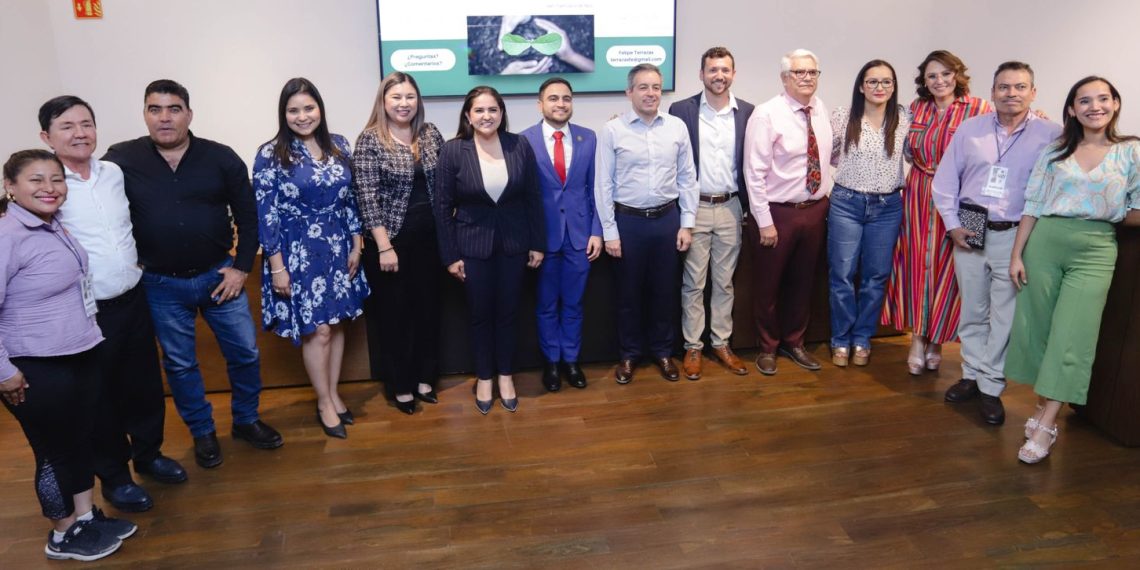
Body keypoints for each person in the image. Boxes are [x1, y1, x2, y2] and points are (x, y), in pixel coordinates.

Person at [104, 79, 283, 469]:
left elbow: (249, 216)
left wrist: (241, 268)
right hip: (160, 285)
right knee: (180, 365)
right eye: (155, 109)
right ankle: (203, 432)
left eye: (173, 109)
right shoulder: (121, 159)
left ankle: (246, 420)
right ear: (145, 114)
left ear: (189, 114)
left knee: (245, 353)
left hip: (219, 278)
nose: (164, 118)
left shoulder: (220, 157)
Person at [38, 96, 186, 514]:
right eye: (67, 126)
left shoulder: (113, 173)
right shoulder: (49, 186)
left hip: (132, 297)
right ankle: (115, 477)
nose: (80, 133)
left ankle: (149, 455)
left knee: (144, 386)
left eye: (86, 123)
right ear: (47, 137)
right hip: (85, 310)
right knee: (100, 397)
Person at [1, 150, 137, 562]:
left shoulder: (53, 224)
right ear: (10, 187)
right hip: (34, 364)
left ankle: (85, 518)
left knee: (79, 441)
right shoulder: (7, 234)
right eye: (36, 180)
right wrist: (3, 371)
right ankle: (62, 535)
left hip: (78, 352)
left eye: (56, 179)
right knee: (53, 452)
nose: (49, 188)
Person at [1006, 76, 1140, 463]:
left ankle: (1048, 422)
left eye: (1103, 98)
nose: (1094, 106)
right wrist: (1017, 254)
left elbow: (1136, 207)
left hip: (1096, 248)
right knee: (1039, 330)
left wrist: (1105, 210)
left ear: (1115, 103)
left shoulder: (1131, 151)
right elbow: (1033, 203)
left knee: (1074, 335)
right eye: (1084, 100)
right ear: (1071, 109)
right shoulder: (1054, 151)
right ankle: (1042, 404)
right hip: (1045, 242)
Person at [932, 62, 1061, 426]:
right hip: (971, 227)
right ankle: (971, 374)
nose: (1011, 94)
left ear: (1033, 92)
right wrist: (953, 225)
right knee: (973, 309)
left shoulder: (1052, 134)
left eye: (1020, 87)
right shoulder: (970, 129)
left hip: (1015, 234)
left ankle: (991, 385)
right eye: (1004, 87)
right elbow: (945, 181)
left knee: (1004, 315)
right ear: (992, 93)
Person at [252, 78, 369, 437]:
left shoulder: (339, 144)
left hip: (338, 246)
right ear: (283, 114)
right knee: (317, 330)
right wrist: (277, 268)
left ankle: (333, 394)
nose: (302, 116)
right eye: (294, 110)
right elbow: (266, 214)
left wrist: (357, 244)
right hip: (297, 253)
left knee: (336, 324)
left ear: (320, 108)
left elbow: (351, 199)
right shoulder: (270, 154)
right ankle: (323, 402)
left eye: (308, 107)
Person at [434, 86, 545, 414]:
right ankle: (484, 377)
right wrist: (450, 256)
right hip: (472, 247)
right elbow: (442, 208)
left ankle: (506, 376)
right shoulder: (453, 150)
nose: (486, 116)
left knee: (509, 313)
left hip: (514, 245)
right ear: (468, 116)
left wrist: (537, 243)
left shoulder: (519, 145)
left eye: (493, 110)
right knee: (480, 315)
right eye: (479, 110)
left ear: (501, 113)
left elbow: (533, 198)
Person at [882, 50, 992, 375]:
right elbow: (904, 150)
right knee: (918, 265)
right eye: (932, 76)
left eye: (945, 74)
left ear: (957, 75)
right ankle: (918, 337)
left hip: (963, 197)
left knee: (953, 268)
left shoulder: (980, 109)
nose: (939, 81)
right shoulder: (916, 108)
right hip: (919, 193)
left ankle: (938, 341)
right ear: (924, 81)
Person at [596, 63, 698, 385]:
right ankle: (629, 354)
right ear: (630, 92)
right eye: (643, 87)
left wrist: (687, 223)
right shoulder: (612, 130)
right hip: (628, 223)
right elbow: (603, 184)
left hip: (667, 220)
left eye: (655, 87)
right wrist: (610, 232)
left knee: (664, 292)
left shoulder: (676, 127)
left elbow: (688, 177)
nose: (650, 93)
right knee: (628, 295)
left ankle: (663, 352)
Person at [353, 72, 446, 414]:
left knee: (428, 311)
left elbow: (445, 181)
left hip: (431, 241)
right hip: (391, 244)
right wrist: (384, 246)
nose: (404, 104)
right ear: (383, 101)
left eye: (409, 97)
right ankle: (400, 385)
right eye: (396, 97)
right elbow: (366, 197)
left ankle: (425, 378)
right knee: (395, 317)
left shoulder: (430, 133)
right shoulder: (370, 140)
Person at [743, 48, 832, 376]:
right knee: (768, 286)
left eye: (812, 72)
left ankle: (795, 342)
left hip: (815, 210)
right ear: (784, 78)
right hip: (778, 214)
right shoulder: (766, 114)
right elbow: (754, 172)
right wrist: (764, 221)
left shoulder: (820, 109)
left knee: (803, 283)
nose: (807, 78)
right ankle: (768, 346)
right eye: (799, 72)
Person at [669, 46, 755, 380]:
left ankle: (721, 343)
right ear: (701, 74)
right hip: (696, 208)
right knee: (693, 283)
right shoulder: (682, 110)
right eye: (713, 70)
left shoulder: (747, 112)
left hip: (731, 206)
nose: (719, 75)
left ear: (733, 73)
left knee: (724, 283)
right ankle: (693, 346)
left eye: (725, 70)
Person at [826, 61, 909, 367]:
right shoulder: (842, 116)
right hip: (846, 203)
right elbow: (828, 154)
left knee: (876, 276)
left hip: (887, 207)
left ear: (894, 86)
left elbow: (915, 152)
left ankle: (862, 337)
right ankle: (841, 338)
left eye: (886, 81)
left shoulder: (904, 118)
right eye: (872, 81)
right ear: (861, 86)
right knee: (842, 274)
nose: (879, 87)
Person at [521, 77, 600, 392]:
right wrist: (531, 240)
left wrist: (597, 231)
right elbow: (523, 196)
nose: (561, 104)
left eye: (566, 98)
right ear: (540, 104)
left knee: (574, 304)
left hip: (580, 238)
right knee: (545, 305)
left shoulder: (588, 138)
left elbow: (595, 189)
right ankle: (551, 363)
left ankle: (571, 361)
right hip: (543, 240)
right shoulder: (523, 141)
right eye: (553, 98)